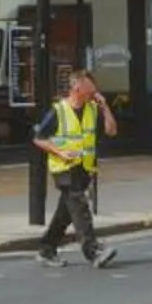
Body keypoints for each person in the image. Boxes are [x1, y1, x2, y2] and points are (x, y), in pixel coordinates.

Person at [33, 68, 117, 269]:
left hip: (84, 168)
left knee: (67, 212)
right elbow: (39, 139)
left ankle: (47, 248)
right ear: (77, 87)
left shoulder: (93, 109)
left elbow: (112, 131)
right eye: (90, 88)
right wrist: (59, 152)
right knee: (80, 206)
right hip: (64, 169)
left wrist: (105, 107)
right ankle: (93, 250)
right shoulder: (59, 110)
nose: (93, 92)